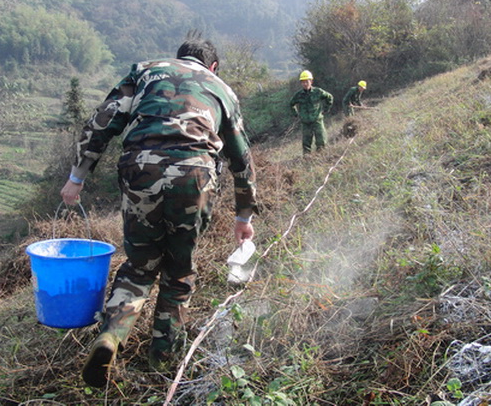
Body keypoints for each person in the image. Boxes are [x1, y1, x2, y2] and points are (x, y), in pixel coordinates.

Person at [60, 32, 258, 388]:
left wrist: (77, 177)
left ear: (178, 57)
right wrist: (243, 216)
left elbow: (102, 123)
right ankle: (163, 361)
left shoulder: (146, 71)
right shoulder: (222, 89)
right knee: (178, 270)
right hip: (194, 175)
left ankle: (110, 336)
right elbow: (241, 158)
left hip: (140, 169)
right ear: (212, 65)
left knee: (139, 266)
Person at [288, 70, 333, 155]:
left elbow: (329, 98)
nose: (305, 84)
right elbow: (291, 104)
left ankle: (321, 156)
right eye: (303, 82)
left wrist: (326, 109)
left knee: (321, 140)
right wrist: (296, 115)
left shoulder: (318, 92)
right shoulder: (298, 95)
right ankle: (307, 159)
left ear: (311, 81)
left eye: (307, 81)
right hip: (306, 123)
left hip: (317, 120)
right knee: (306, 143)